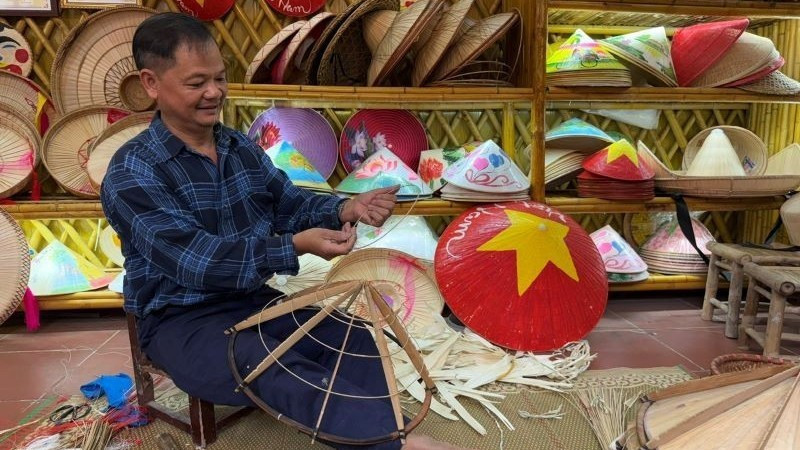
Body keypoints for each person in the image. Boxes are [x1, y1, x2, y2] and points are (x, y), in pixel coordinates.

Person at [101, 12, 460, 450]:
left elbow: (290, 205)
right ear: (152, 83)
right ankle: (396, 445)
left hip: (253, 301)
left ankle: (384, 433)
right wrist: (290, 248)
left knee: (353, 336)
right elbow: (198, 261)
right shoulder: (132, 170)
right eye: (197, 83)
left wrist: (346, 207)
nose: (214, 92)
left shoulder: (238, 148)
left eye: (220, 78)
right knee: (267, 360)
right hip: (180, 319)